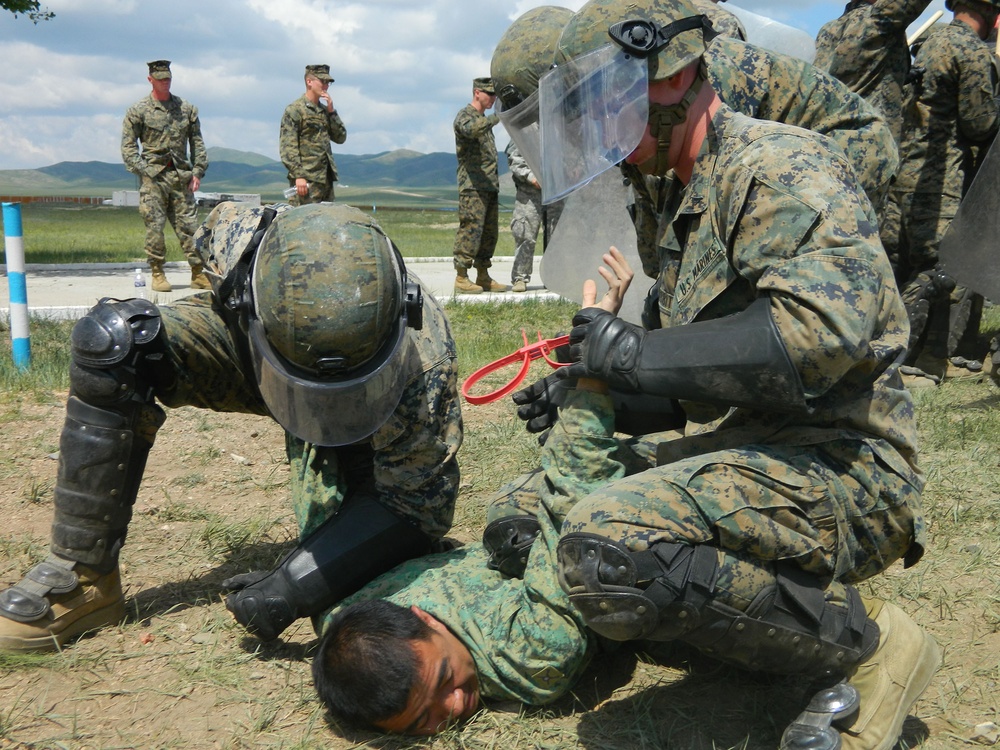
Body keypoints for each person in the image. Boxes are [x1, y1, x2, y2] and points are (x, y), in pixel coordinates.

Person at [508, 1, 939, 749]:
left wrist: (635, 355)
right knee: (526, 509)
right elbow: (707, 372)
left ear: (673, 80)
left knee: (610, 543)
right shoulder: (672, 191)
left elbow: (814, 339)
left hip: (848, 467)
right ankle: (727, 614)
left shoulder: (782, 165)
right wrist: (609, 392)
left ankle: (866, 650)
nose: (596, 137)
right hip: (765, 444)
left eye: (604, 109)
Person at [0, 202, 463, 652]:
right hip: (261, 356)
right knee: (115, 340)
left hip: (371, 407)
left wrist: (291, 585)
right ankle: (82, 576)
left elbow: (416, 507)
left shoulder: (425, 360)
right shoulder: (235, 240)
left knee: (366, 530)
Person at [311, 309, 631, 734]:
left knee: (508, 520)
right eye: (426, 720)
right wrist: (590, 378)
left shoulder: (345, 625)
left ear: (422, 618)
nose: (457, 702)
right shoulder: (532, 655)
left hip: (522, 529)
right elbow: (574, 508)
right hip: (595, 524)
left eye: (445, 679)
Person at [888, 0, 1000, 382]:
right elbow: (979, 123)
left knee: (907, 262)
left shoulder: (927, 41)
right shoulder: (969, 49)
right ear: (989, 14)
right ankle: (900, 362)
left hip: (903, 168)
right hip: (941, 176)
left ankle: (931, 359)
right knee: (941, 267)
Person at [121, 60, 210, 294]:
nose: (165, 82)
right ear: (150, 79)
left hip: (181, 177)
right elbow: (128, 148)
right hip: (154, 179)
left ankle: (198, 273)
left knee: (190, 227)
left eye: (167, 78)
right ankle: (158, 272)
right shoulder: (138, 110)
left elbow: (197, 143)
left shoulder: (186, 109)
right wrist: (145, 170)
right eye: (160, 78)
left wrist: (198, 171)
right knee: (155, 228)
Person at [814, 0, 933, 145]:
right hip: (869, 144)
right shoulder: (877, 20)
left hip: (830, 140)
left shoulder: (829, 29)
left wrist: (897, 76)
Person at [452, 77, 507, 295]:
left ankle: (483, 274)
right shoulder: (466, 116)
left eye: (495, 95)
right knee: (470, 230)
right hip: (472, 186)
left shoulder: (483, 118)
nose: (493, 99)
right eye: (489, 94)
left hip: (488, 186)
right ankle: (461, 277)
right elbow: (470, 130)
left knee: (488, 234)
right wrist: (495, 118)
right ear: (477, 93)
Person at [279, 64, 348, 206]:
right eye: (322, 81)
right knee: (303, 223)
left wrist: (331, 111)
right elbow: (288, 146)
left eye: (328, 83)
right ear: (309, 82)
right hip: (306, 180)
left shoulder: (325, 111)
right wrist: (298, 176)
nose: (326, 86)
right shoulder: (295, 110)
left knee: (326, 223)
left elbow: (340, 137)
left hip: (325, 179)